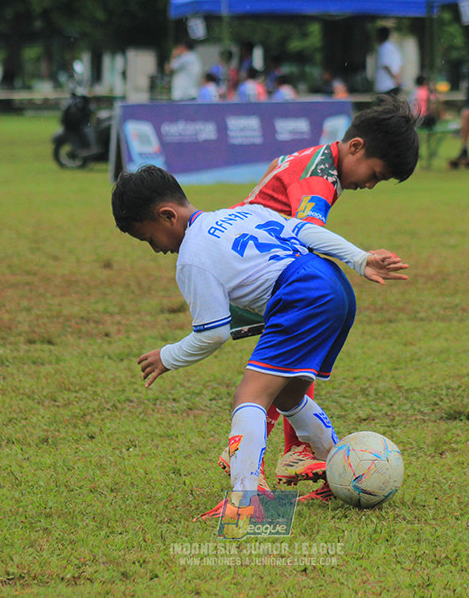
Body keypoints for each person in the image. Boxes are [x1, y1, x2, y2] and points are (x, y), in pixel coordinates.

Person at [112, 165, 409, 524]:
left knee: (249, 397)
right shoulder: (242, 213)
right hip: (332, 281)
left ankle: (246, 502)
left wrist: (168, 356)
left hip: (301, 294)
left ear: (167, 216)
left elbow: (214, 332)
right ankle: (337, 473)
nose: (156, 249)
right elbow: (306, 231)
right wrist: (359, 259)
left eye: (149, 238)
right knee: (288, 396)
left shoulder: (192, 258)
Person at [226, 94, 419, 497]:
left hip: (251, 262)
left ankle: (292, 450)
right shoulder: (319, 178)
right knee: (285, 361)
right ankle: (254, 463)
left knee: (295, 358)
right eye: (375, 174)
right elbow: (307, 228)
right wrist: (359, 259)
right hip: (256, 271)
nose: (369, 184)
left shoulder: (317, 161)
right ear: (356, 147)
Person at [373, 26, 402, 96]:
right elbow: (401, 64)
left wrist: (394, 78)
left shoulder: (383, 48)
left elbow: (386, 65)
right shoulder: (394, 47)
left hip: (385, 86)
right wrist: (398, 79)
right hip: (394, 85)